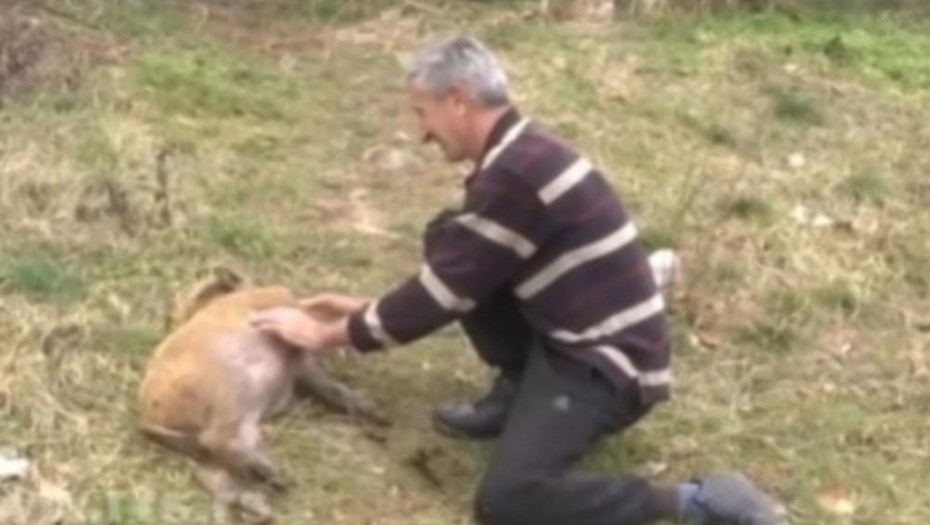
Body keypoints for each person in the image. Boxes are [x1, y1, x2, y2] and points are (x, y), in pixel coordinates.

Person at [249, 35, 787, 525]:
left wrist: (325, 334)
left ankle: (697, 500)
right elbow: (463, 272)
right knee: (449, 234)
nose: (420, 134)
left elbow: (445, 293)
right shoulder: (520, 151)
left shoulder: (515, 174)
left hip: (609, 366)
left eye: (423, 113)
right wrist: (368, 309)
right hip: (571, 335)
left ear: (458, 99)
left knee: (509, 500)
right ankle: (519, 388)